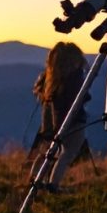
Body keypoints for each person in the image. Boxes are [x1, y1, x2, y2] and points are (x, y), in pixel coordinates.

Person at [30, 41, 90, 191]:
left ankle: (35, 179)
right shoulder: (74, 78)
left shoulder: (50, 78)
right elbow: (78, 99)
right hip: (73, 121)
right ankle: (53, 184)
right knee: (68, 152)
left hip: (50, 122)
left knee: (48, 150)